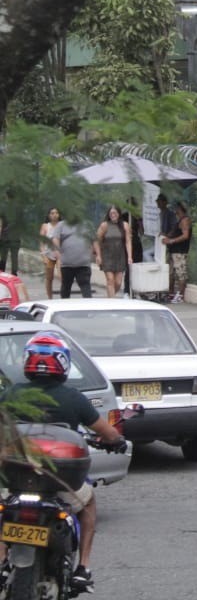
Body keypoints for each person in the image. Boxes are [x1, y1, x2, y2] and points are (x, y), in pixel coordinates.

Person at [7, 331, 129, 593]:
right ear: (62, 363)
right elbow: (108, 433)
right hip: (59, 484)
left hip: (15, 481)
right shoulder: (73, 398)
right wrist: (115, 440)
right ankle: (83, 567)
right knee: (89, 503)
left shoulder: (12, 394)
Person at [93, 204, 131, 299]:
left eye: (115, 213)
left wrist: (130, 256)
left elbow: (128, 242)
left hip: (120, 256)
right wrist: (98, 256)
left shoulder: (125, 225)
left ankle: (110, 297)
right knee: (110, 280)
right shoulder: (104, 225)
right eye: (111, 213)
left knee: (118, 282)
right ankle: (112, 302)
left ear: (118, 213)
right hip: (107, 256)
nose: (113, 215)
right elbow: (96, 241)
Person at [51, 213, 93, 299]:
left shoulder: (86, 224)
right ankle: (64, 308)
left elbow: (94, 240)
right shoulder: (61, 225)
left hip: (83, 264)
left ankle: (89, 307)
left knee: (86, 288)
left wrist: (96, 254)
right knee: (66, 287)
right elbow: (55, 238)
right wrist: (57, 250)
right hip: (67, 264)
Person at [161, 201, 191, 303]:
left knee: (180, 273)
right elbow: (173, 233)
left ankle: (181, 296)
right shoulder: (179, 221)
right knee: (171, 273)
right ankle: (171, 293)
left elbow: (185, 235)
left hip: (180, 251)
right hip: (173, 251)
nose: (174, 211)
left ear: (179, 209)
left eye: (175, 209)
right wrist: (166, 236)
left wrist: (171, 241)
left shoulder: (185, 220)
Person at [39, 206, 61, 298]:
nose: (54, 215)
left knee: (62, 276)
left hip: (60, 255)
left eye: (56, 213)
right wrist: (43, 256)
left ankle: (64, 296)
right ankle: (50, 297)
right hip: (48, 255)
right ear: (48, 215)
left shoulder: (62, 225)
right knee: (49, 278)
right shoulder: (45, 226)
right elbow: (41, 242)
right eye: (52, 213)